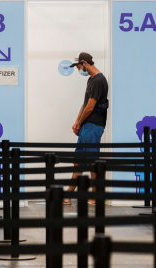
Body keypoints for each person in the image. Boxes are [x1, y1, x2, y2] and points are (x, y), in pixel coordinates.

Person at [63, 52, 108, 205]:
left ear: (85, 63)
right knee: (78, 162)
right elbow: (84, 104)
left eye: (79, 67)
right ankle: (68, 195)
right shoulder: (91, 80)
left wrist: (80, 122)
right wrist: (77, 122)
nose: (78, 70)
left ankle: (94, 197)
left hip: (93, 125)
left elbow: (90, 108)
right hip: (86, 126)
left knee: (91, 163)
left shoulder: (99, 80)